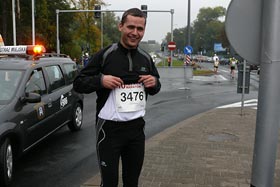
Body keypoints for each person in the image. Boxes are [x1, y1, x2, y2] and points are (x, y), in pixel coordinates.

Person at [73, 8, 161, 187]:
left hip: (136, 130)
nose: (135, 33)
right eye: (130, 27)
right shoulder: (106, 55)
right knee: (109, 183)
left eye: (140, 29)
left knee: (132, 182)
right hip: (109, 130)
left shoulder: (145, 58)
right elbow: (78, 82)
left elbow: (155, 87)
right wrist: (101, 80)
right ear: (120, 26)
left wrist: (154, 82)